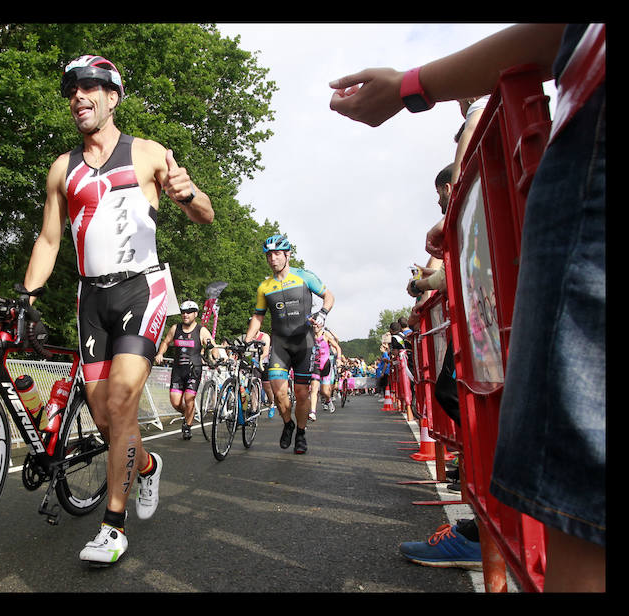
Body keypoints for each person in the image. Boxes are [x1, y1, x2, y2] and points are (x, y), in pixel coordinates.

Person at [330, 23, 604, 591]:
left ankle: (484, 529)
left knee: (574, 486)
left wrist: (412, 85)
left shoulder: (483, 120)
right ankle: (481, 521)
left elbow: (559, 34)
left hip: (588, 160)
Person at [22, 55, 214, 566]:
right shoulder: (63, 169)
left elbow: (205, 214)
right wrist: (28, 297)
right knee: (108, 419)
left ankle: (113, 525)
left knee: (125, 398)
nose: (78, 97)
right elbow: (48, 240)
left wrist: (187, 192)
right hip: (91, 299)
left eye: (90, 88)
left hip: (141, 290)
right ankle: (146, 465)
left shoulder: (149, 153)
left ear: (113, 97)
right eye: (72, 90)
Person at [244, 234, 334, 454]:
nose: (272, 259)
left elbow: (328, 295)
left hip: (304, 343)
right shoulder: (264, 286)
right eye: (269, 255)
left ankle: (301, 433)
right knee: (279, 392)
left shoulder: (304, 276)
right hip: (281, 345)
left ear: (287, 255)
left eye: (277, 254)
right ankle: (288, 424)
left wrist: (322, 313)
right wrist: (247, 340)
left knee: (302, 393)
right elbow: (258, 316)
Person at [155, 300, 214, 440]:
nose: (185, 315)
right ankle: (188, 413)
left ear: (195, 313)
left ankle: (187, 427)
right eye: (183, 312)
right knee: (175, 402)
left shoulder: (201, 330)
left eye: (188, 312)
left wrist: (215, 356)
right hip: (178, 370)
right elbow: (166, 342)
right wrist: (160, 353)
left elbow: (212, 345)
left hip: (194, 370)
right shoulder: (176, 328)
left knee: (189, 398)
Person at [308, 323, 342, 421]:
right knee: (314, 389)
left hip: (326, 365)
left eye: (317, 325)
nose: (315, 327)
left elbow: (338, 348)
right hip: (315, 365)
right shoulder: (310, 335)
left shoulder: (325, 335)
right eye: (313, 325)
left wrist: (339, 359)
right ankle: (313, 412)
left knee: (324, 391)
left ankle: (328, 400)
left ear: (321, 326)